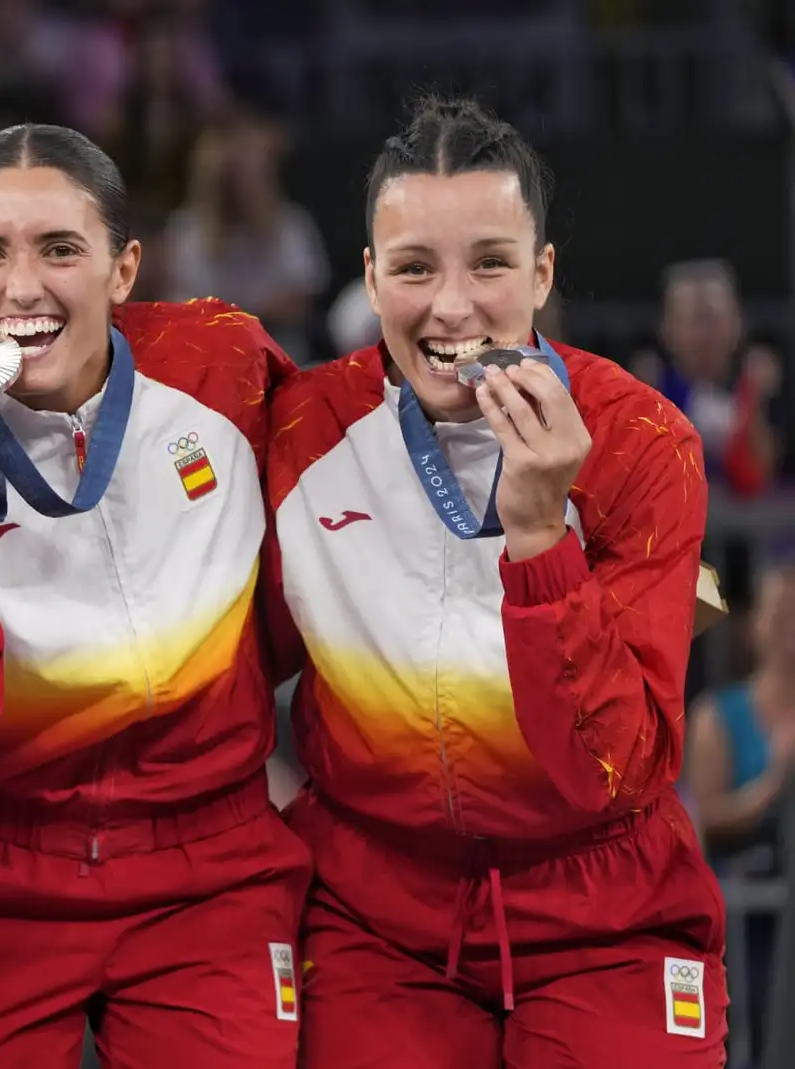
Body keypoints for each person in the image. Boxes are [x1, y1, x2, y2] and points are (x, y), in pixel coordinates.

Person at [264, 96, 726, 1067]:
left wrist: (535, 538)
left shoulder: (641, 445)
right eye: (414, 268)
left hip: (606, 911)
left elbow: (620, 769)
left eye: (489, 263)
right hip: (374, 916)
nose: (452, 306)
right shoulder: (303, 434)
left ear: (541, 273)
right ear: (369, 277)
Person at [0, 123, 308, 1068]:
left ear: (123, 267)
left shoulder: (223, 367)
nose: (22, 288)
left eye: (60, 248)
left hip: (208, 874)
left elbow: (363, 463)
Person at [683, 556, 795, 1060]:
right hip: (747, 919)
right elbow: (706, 820)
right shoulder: (717, 715)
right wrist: (773, 783)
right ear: (755, 626)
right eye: (780, 613)